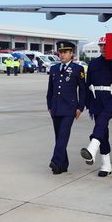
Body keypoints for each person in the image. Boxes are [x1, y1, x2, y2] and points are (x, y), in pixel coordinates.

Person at [80, 36, 112, 177]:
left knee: (102, 121)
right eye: (101, 46)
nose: (103, 48)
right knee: (103, 130)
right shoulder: (93, 63)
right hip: (97, 99)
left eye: (106, 46)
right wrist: (88, 103)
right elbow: (88, 84)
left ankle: (92, 147)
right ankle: (105, 164)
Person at [46, 41, 86, 175]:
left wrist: (80, 107)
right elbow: (50, 90)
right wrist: (49, 105)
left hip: (69, 108)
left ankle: (55, 161)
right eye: (60, 52)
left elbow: (83, 90)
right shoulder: (54, 69)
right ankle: (63, 165)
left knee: (63, 136)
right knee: (59, 137)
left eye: (65, 52)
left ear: (71, 54)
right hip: (55, 108)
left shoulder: (77, 69)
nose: (62, 55)